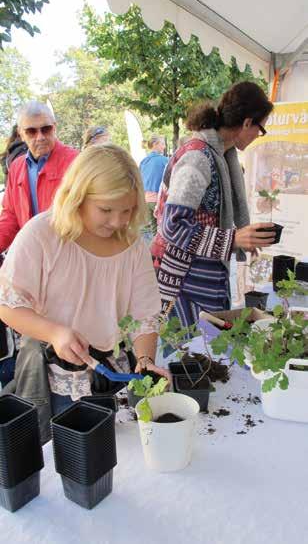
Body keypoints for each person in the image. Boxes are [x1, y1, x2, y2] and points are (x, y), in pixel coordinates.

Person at [0, 144, 169, 440]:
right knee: (62, 462)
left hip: (110, 378)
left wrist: (145, 361)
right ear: (78, 195)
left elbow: (145, 316)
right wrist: (54, 332)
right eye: (106, 209)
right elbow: (7, 304)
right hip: (55, 379)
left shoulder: (132, 246)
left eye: (127, 211)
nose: (118, 221)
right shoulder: (42, 235)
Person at [151, 81, 276, 328]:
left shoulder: (220, 155)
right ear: (248, 122)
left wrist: (240, 238)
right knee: (190, 355)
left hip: (200, 276)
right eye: (260, 130)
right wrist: (233, 239)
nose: (257, 137)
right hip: (182, 280)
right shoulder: (199, 157)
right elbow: (172, 226)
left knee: (207, 351)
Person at [0, 100, 79, 254]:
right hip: (34, 254)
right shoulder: (16, 167)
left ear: (54, 128)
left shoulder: (76, 161)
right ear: (21, 134)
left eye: (46, 129)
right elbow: (10, 215)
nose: (40, 136)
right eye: (31, 131)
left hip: (69, 253)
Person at [139, 135, 168, 237]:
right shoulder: (165, 160)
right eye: (163, 144)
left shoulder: (143, 161)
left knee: (154, 230)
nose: (164, 147)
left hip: (146, 200)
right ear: (155, 144)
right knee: (164, 230)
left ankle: (153, 251)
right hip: (159, 200)